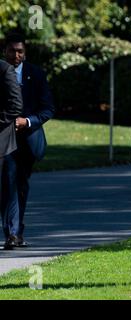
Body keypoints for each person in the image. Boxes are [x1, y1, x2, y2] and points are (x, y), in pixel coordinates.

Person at [1, 33, 54, 250]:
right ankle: (11, 233)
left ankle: (17, 230)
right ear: (5, 51)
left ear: (25, 52)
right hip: (5, 138)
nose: (16, 55)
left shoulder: (36, 74)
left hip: (29, 139)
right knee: (9, 181)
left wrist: (28, 121)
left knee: (21, 184)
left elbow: (48, 109)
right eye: (12, 50)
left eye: (20, 51)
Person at [0, 59, 23, 241]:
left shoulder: (4, 69)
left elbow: (15, 104)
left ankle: (12, 233)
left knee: (8, 188)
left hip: (3, 142)